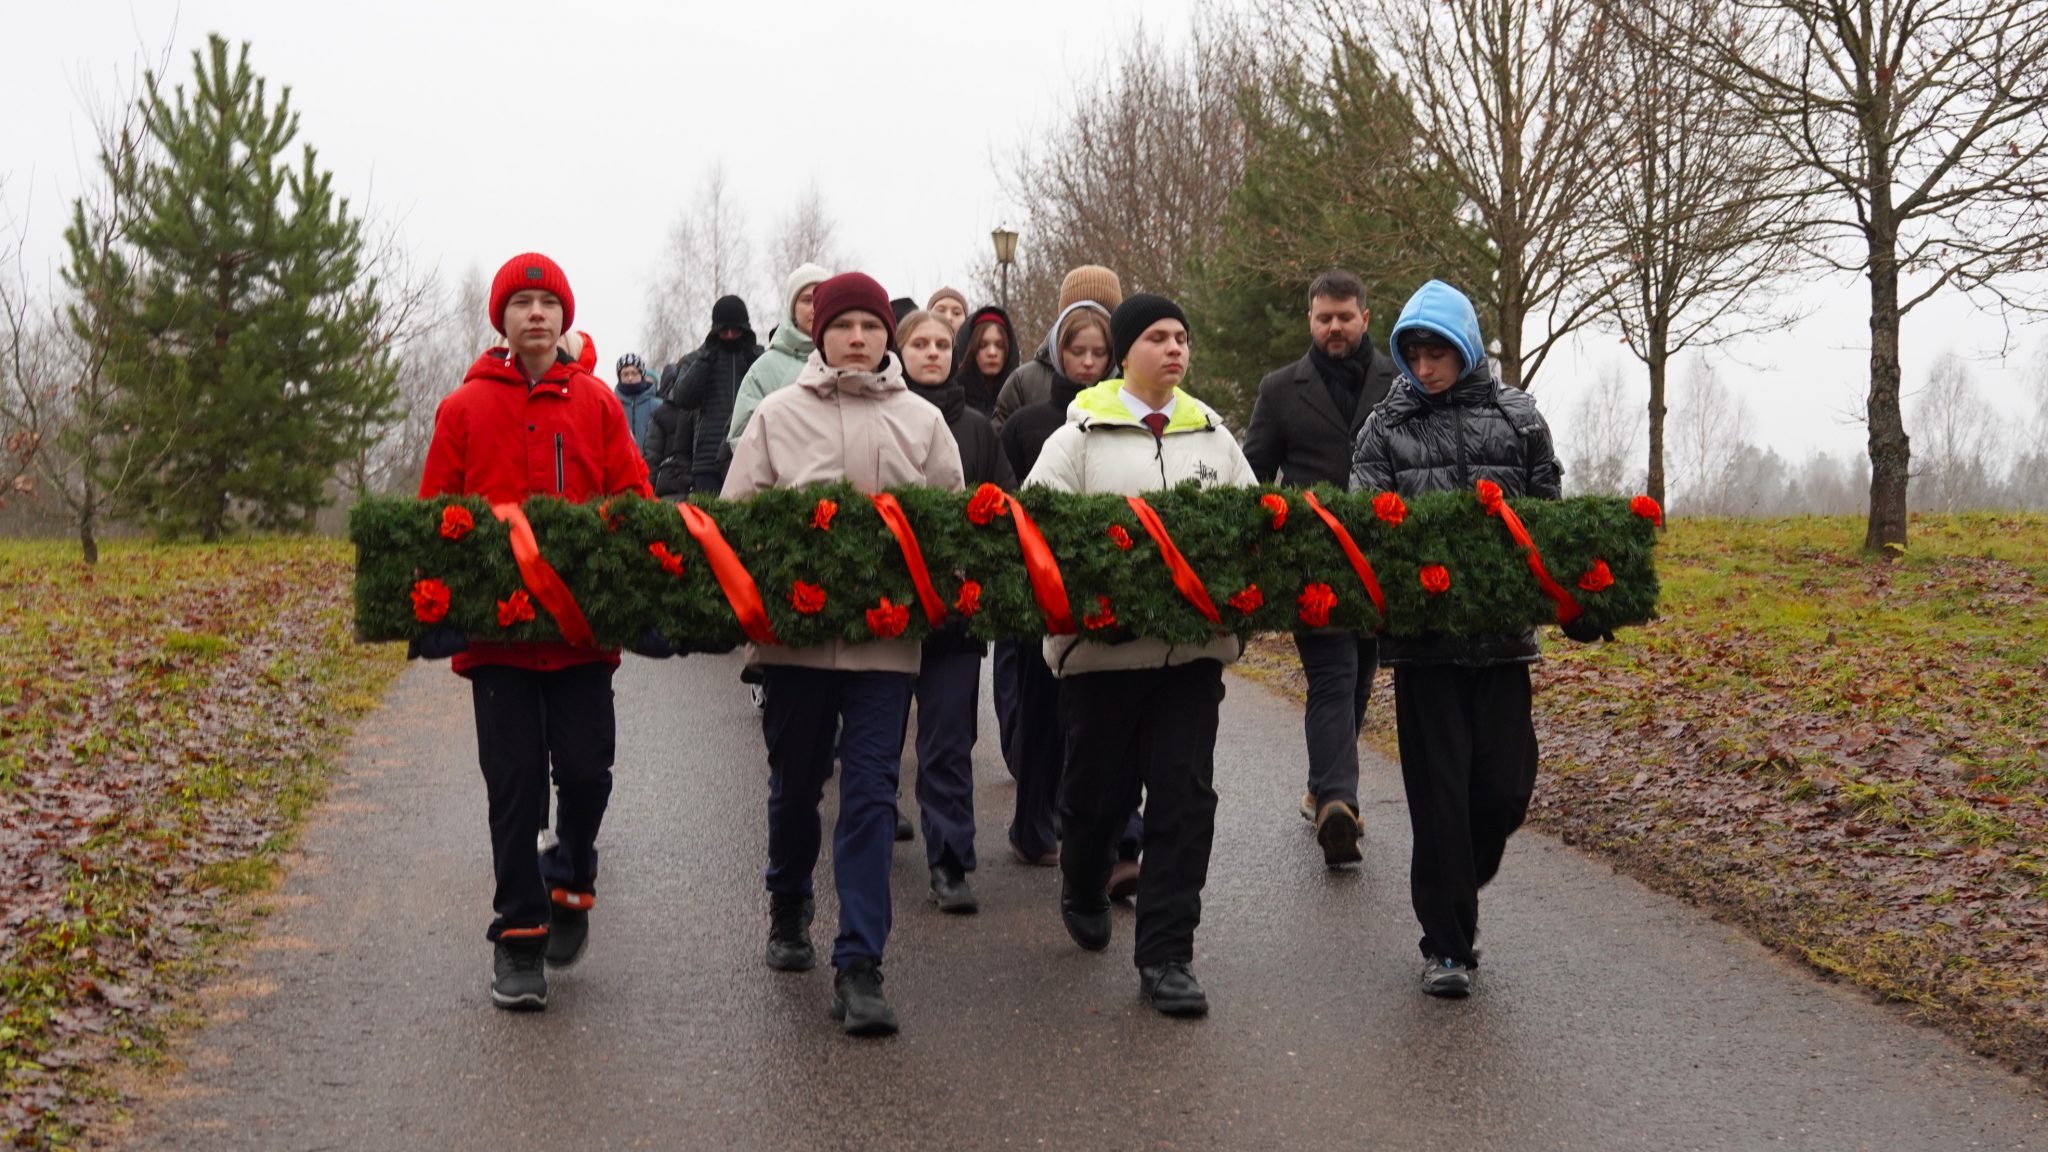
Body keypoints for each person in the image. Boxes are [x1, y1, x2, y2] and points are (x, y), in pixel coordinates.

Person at [723, 272, 965, 1037]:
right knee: (797, 789)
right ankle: (788, 900)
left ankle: (860, 965)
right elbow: (736, 524)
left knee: (867, 798)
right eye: (843, 325)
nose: (858, 336)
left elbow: (952, 520)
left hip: (885, 649)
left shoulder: (922, 422)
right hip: (793, 647)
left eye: (869, 324)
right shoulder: (775, 415)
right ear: (819, 334)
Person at [417, 253, 654, 1012]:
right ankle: (518, 937)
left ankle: (572, 880)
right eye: (521, 303)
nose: (536, 315)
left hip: (582, 635)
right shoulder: (462, 409)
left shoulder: (598, 404)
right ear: (503, 320)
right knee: (514, 788)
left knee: (586, 773)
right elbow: (436, 514)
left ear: (565, 317)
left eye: (547, 303)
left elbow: (634, 498)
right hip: (499, 643)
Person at [1024, 293, 1255, 1018]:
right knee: (1097, 797)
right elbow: (1038, 533)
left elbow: (1253, 530)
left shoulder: (1215, 439)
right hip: (1102, 661)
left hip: (1190, 660)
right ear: (1127, 351)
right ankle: (1084, 879)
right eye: (1158, 337)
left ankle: (1167, 956)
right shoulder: (1078, 439)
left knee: (1185, 803)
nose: (1175, 349)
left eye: (1183, 337)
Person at [1348, 278, 1570, 998]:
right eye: (1412, 352)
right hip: (1426, 650)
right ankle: (1445, 944)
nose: (1424, 365)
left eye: (1436, 350)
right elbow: (1366, 528)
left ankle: (1457, 889)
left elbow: (1548, 519)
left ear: (1465, 348)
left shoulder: (1520, 420)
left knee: (1503, 791)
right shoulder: (1385, 428)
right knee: (1438, 799)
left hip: (1502, 644)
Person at [1241, 269, 1398, 868]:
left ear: (1365, 316)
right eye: (1323, 317)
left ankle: (1319, 784)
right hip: (1313, 564)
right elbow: (1254, 472)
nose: (1334, 327)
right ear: (1310, 319)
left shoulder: (1398, 381)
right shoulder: (1281, 389)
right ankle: (1339, 804)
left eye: (1345, 316)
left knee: (1360, 677)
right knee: (1332, 675)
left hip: (1383, 562)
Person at [896, 310, 1015, 914]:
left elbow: (1004, 508)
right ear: (901, 351)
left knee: (947, 743)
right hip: (887, 618)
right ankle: (873, 834)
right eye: (921, 343)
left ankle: (949, 861)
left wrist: (985, 586)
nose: (934, 352)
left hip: (955, 619)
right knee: (881, 744)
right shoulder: (881, 419)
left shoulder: (977, 429)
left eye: (943, 343)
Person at [997, 300, 1116, 871]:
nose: (1088, 363)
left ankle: (1092, 820)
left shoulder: (1123, 418)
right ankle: (1031, 824)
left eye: (1099, 353)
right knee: (1040, 708)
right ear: (1057, 353)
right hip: (1038, 582)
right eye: (1077, 351)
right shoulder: (1027, 424)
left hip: (1103, 582)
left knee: (1095, 712)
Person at [990, 265, 1123, 434]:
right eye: (1078, 314)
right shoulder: (1024, 381)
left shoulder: (1135, 382)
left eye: (1103, 315)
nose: (1091, 323)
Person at [725, 262, 831, 452]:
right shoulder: (765, 368)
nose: (815, 307)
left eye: (822, 298)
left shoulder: (850, 362)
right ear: (792, 308)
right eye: (807, 300)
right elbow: (742, 438)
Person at [669, 295, 763, 497]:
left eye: (735, 330)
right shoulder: (698, 359)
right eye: (724, 330)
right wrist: (706, 360)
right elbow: (683, 398)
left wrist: (753, 358)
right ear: (715, 330)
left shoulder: (758, 359)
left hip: (750, 455)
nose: (729, 335)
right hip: (707, 462)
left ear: (744, 329)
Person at [641, 357, 700, 499]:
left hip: (668, 483)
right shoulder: (661, 414)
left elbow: (651, 458)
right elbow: (652, 458)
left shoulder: (659, 414)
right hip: (683, 484)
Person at [949, 305, 1017, 419]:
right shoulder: (952, 400)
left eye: (1000, 346)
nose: (992, 353)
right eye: (982, 345)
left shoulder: (1019, 397)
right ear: (969, 349)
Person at [613, 353, 660, 446]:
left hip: (651, 460)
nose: (630, 378)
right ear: (620, 377)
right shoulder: (612, 406)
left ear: (642, 375)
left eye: (634, 373)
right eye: (625, 374)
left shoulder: (658, 406)